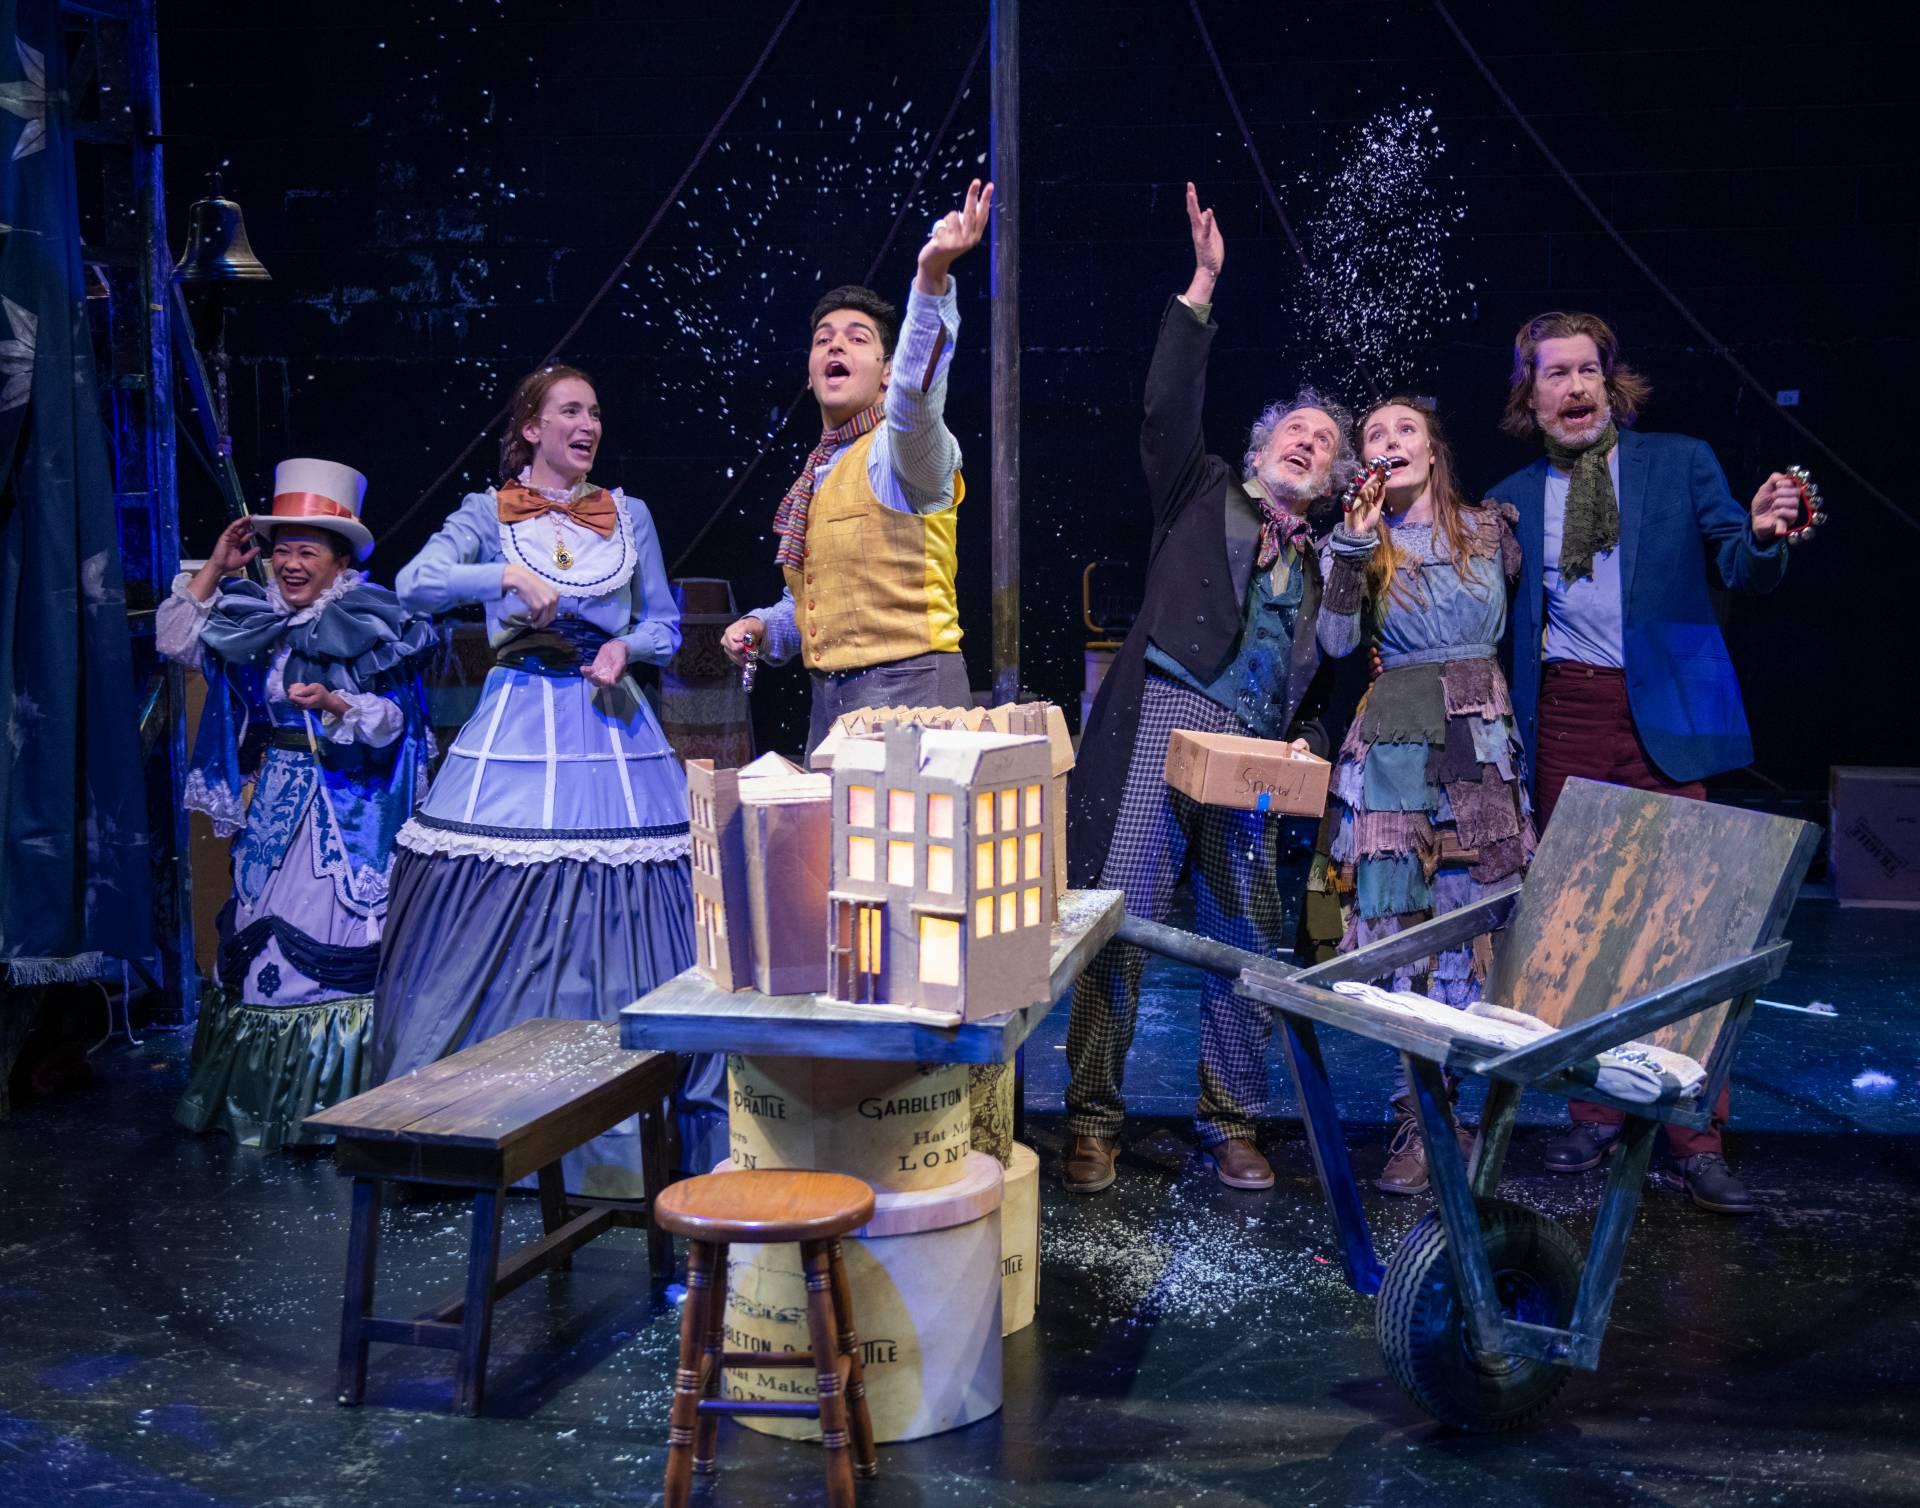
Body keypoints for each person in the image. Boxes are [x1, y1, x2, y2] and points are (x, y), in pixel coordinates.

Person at [1062, 183, 1355, 1196]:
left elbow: (1338, 664)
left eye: (1324, 440)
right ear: (1266, 441)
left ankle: (1235, 1120)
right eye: (1295, 429)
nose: (1306, 441)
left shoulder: (1331, 563)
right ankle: (1094, 1116)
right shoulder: (1202, 487)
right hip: (1167, 712)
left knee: (1246, 933)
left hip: (1256, 746)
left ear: (1331, 477)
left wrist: (1306, 742)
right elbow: (1164, 407)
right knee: (1123, 916)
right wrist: (1201, 287)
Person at [373, 366, 722, 1192]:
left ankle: (628, 1125)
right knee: (503, 887)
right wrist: (499, 575)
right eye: (570, 410)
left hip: (610, 723)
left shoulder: (628, 513)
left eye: (596, 411)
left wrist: (623, 649)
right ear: (530, 427)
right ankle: (473, 1125)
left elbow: (664, 624)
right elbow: (411, 583)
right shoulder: (486, 514)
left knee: (632, 895)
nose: (588, 423)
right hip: (520, 716)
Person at [1485, 311, 1802, 1214]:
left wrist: (1769, 533)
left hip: (1666, 709)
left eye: (1589, 371)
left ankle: (1695, 1130)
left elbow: (1741, 565)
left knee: (1693, 929)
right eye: (1555, 374)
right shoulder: (1510, 495)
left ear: (1612, 383)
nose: (1575, 388)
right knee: (1584, 921)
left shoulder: (1679, 461)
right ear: (1530, 393)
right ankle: (1595, 1110)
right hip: (1569, 715)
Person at [164, 460, 436, 1151]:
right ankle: (265, 1105)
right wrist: (218, 568)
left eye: (306, 548)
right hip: (279, 799)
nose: (290, 562)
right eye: (281, 547)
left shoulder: (370, 622)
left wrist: (338, 702)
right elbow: (175, 641)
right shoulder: (256, 618)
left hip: (346, 808)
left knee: (331, 937)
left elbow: (395, 724)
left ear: (340, 558)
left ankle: (340, 1107)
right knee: (259, 931)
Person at [1316, 399, 1531, 1195]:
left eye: (1404, 431)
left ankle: (1461, 1108)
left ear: (1433, 452)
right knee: (1405, 929)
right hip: (1398, 748)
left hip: (1479, 744)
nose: (1390, 443)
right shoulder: (1363, 542)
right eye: (1374, 435)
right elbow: (1336, 645)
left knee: (1476, 922)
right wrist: (1349, 545)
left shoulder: (1490, 530)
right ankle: (1419, 1115)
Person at [720, 181, 993, 756]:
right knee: (839, 851)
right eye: (823, 340)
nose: (834, 347)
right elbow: (828, 610)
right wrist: (769, 628)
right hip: (832, 708)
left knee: (913, 850)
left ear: (887, 370)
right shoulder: (820, 471)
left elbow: (920, 395)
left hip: (913, 701)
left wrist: (932, 278)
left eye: (855, 338)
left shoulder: (904, 452)